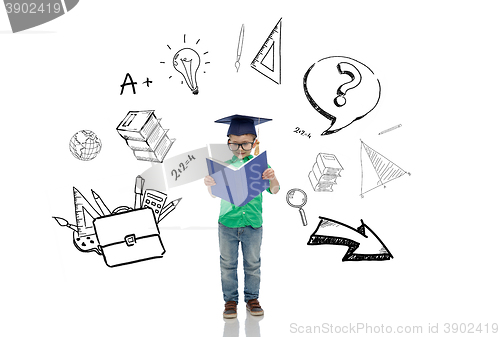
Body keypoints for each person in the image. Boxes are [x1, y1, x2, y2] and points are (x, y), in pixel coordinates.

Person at [204, 114, 280, 319]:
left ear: (255, 143)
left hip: (253, 224)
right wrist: (210, 185)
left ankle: (252, 299)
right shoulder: (222, 166)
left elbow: (274, 190)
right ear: (228, 142)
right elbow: (214, 195)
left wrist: (272, 178)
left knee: (252, 263)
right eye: (234, 144)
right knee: (227, 263)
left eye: (245, 144)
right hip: (227, 224)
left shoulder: (260, 166)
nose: (239, 149)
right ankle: (230, 301)